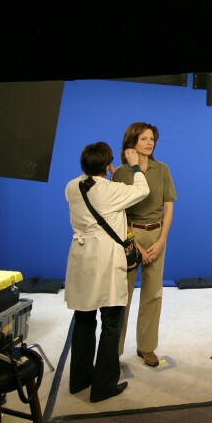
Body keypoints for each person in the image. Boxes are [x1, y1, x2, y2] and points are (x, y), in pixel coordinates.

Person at [64, 142, 149, 402]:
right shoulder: (110, 190)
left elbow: (89, 188)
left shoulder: (71, 186)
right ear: (109, 165)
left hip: (81, 256)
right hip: (106, 258)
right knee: (112, 322)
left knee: (84, 318)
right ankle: (104, 385)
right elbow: (142, 190)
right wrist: (135, 166)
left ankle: (79, 380)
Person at [113, 122, 177, 367]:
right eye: (144, 139)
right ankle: (114, 351)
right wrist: (135, 245)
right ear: (132, 142)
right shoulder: (120, 173)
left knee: (153, 294)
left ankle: (147, 347)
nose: (150, 143)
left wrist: (162, 240)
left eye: (152, 139)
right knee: (123, 296)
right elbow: (117, 214)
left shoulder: (162, 169)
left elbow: (169, 206)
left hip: (156, 235)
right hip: (128, 236)